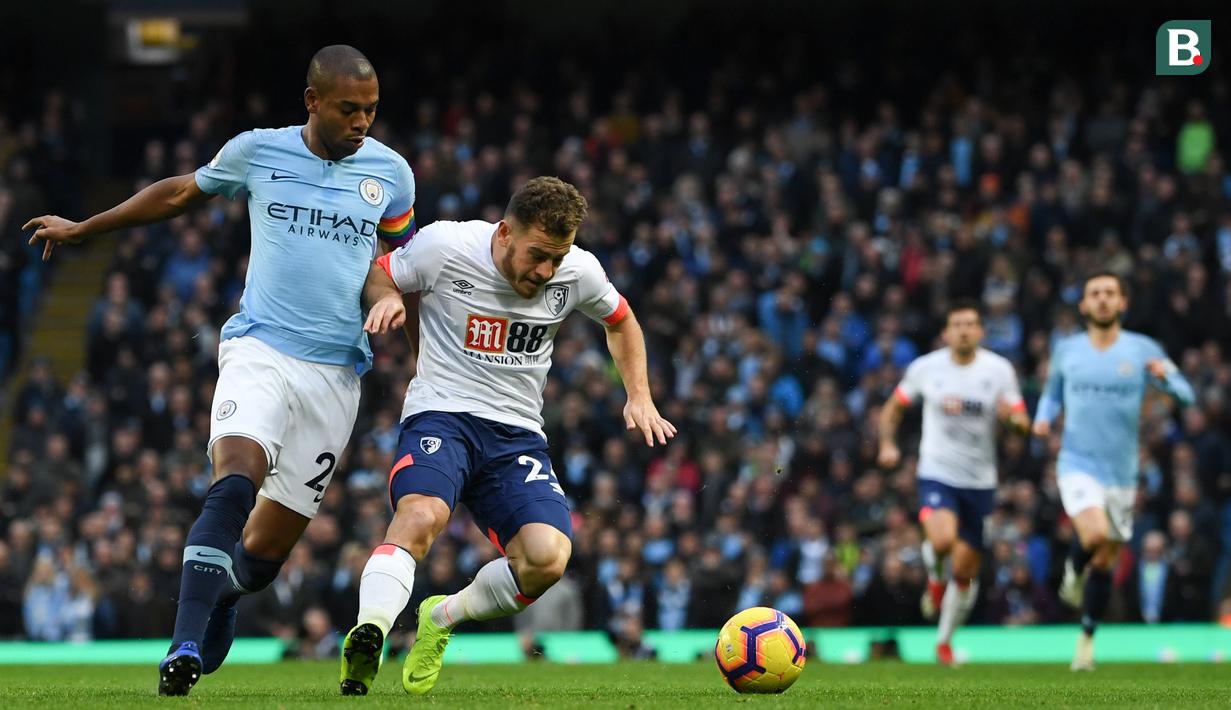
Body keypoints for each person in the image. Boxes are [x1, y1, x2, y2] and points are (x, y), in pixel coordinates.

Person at [23, 45, 416, 695]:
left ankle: (227, 598)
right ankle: (181, 645)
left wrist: (392, 300)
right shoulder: (258, 151)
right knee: (233, 483)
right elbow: (181, 192)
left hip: (336, 376)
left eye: (371, 110)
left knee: (263, 559)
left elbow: (392, 266)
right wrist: (86, 228)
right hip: (258, 348)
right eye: (349, 109)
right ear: (313, 101)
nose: (362, 122)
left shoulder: (391, 174)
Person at [337, 176, 674, 695]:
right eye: (537, 254)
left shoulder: (578, 271)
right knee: (421, 514)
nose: (545, 272)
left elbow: (622, 321)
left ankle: (441, 617)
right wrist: (388, 300)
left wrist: (639, 395)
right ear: (503, 233)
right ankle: (371, 633)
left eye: (556, 259)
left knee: (548, 558)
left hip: (516, 436)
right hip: (442, 416)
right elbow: (382, 273)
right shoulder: (446, 246)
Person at [1032, 272, 1194, 671]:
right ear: (1084, 305)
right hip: (1076, 463)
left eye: (1110, 294)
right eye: (1095, 294)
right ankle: (1072, 572)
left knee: (1104, 559)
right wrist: (1041, 419)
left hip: (1121, 473)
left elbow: (1187, 395)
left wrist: (1167, 380)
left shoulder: (1143, 350)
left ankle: (1086, 638)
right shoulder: (1067, 350)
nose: (1103, 300)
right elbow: (1052, 395)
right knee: (1095, 533)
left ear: (1123, 303)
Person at [877, 299, 1028, 666]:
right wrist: (887, 444)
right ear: (946, 332)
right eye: (956, 324)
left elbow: (1023, 424)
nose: (963, 330)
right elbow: (894, 407)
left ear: (980, 331)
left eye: (970, 324)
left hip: (980, 481)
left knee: (964, 572)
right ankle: (933, 576)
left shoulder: (998, 370)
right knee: (942, 539)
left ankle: (943, 643)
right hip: (937, 472)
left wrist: (1013, 421)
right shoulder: (926, 368)